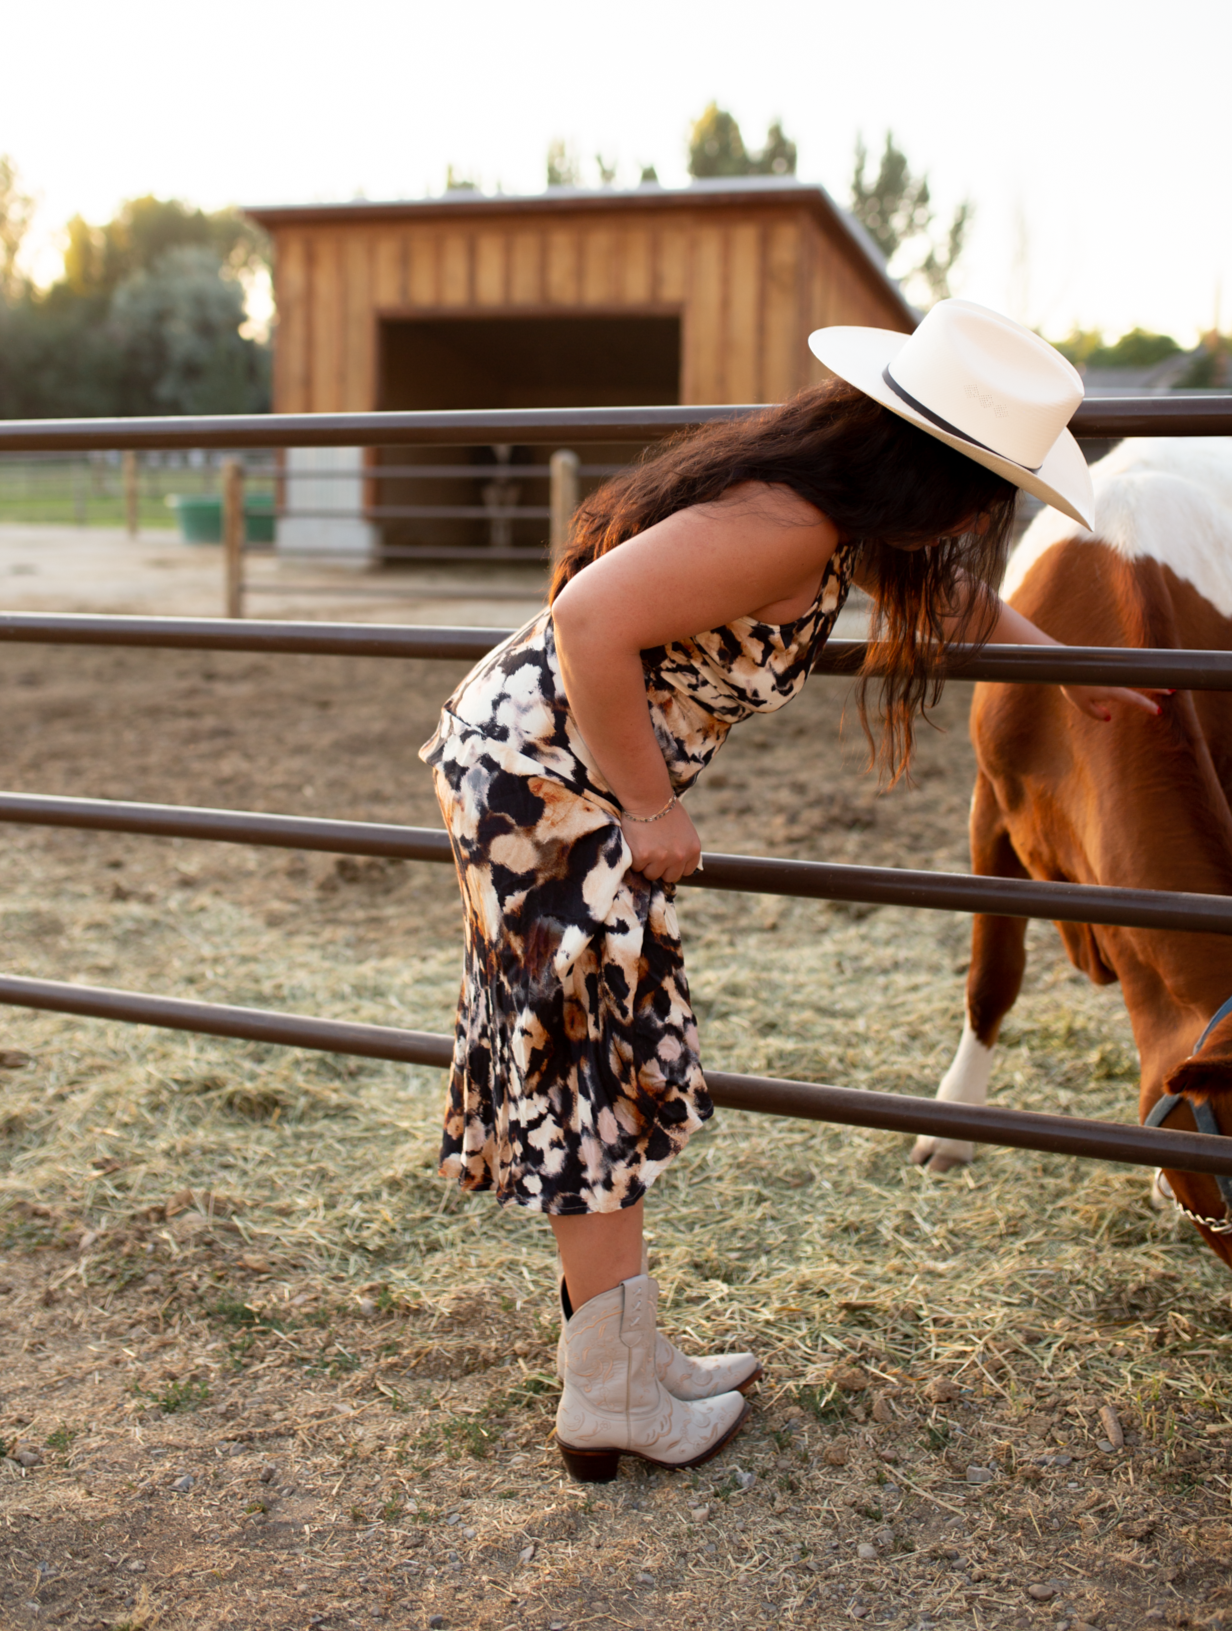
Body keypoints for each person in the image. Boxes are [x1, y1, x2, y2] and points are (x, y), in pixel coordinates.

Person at [420, 300, 1161, 1484]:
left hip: (565, 771)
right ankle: (605, 1392)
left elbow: (949, 601)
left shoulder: (834, 519)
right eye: (991, 488)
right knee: (593, 1065)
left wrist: (1068, 672)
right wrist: (651, 804)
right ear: (934, 472)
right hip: (547, 781)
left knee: (598, 1052)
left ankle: (622, 1357)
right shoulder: (784, 523)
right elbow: (588, 618)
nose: (987, 517)